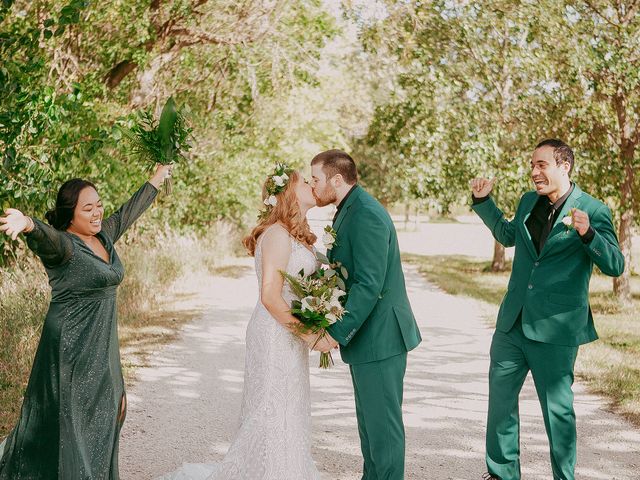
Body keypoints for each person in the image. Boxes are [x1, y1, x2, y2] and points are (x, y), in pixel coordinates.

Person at [0, 164, 172, 479]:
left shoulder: (104, 236)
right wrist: (26, 223)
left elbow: (126, 213)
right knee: (69, 422)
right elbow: (44, 236)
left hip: (101, 345)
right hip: (69, 350)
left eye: (98, 205)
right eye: (87, 208)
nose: (96, 213)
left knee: (106, 415)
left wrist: (156, 178)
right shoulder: (64, 245)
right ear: (71, 214)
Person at [470, 139, 625, 480]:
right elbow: (509, 235)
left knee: (558, 412)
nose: (534, 173)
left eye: (541, 165)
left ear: (564, 165)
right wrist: (484, 202)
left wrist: (588, 235)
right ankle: (501, 473)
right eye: (532, 166)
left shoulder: (595, 211)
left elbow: (615, 265)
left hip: (556, 329)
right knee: (500, 405)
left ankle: (563, 476)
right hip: (513, 322)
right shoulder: (529, 201)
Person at [162, 168, 324, 480]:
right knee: (270, 408)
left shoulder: (294, 235)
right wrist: (312, 336)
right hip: (275, 332)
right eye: (304, 180)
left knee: (289, 407)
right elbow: (270, 296)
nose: (310, 184)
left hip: (288, 329)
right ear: (286, 193)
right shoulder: (277, 235)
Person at [310, 149, 422, 480]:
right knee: (369, 428)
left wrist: (334, 332)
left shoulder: (367, 213)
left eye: (316, 180)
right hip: (368, 340)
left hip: (381, 336)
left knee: (383, 431)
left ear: (337, 179)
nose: (313, 186)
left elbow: (369, 284)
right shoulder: (349, 208)